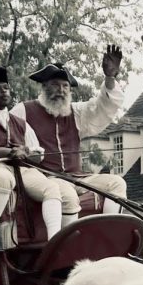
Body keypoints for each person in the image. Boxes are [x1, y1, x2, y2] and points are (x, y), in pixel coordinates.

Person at [0, 66, 67, 253]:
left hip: (19, 171)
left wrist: (26, 152)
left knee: (52, 188)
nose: (4, 91)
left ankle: (54, 242)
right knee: (2, 176)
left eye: (6, 87)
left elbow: (38, 155)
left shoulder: (20, 124)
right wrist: (8, 152)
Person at [10, 45, 127, 218]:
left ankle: (109, 234)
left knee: (117, 183)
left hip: (78, 178)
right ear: (44, 87)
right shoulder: (23, 111)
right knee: (67, 195)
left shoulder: (76, 112)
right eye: (55, 85)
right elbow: (7, 142)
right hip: (46, 179)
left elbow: (102, 106)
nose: (61, 90)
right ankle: (68, 244)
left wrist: (109, 77)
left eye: (65, 86)